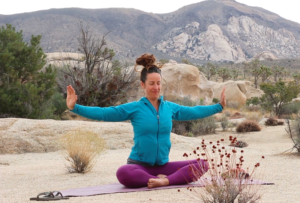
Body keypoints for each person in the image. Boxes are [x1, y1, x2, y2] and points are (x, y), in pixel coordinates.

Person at [66, 53, 226, 189]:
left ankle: (163, 181)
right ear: (143, 84)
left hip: (162, 166)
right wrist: (75, 107)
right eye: (151, 83)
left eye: (158, 83)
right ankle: (158, 179)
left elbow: (193, 111)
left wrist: (218, 107)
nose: (156, 87)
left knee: (203, 164)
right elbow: (105, 113)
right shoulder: (135, 108)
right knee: (123, 173)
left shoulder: (169, 108)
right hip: (139, 165)